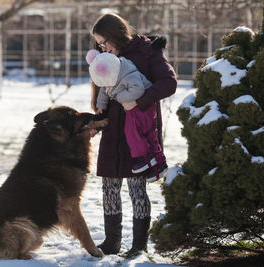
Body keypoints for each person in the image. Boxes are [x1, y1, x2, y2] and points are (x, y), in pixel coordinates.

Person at [89, 13, 177, 258]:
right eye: (98, 44)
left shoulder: (148, 50)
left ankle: (139, 244)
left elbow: (169, 83)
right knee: (109, 187)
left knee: (137, 188)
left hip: (138, 133)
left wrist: (139, 101)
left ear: (116, 34)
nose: (102, 48)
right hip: (112, 131)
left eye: (104, 42)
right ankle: (112, 241)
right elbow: (104, 92)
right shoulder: (107, 57)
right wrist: (97, 120)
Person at [86, 49, 168, 182]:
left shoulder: (127, 73)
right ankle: (159, 164)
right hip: (134, 108)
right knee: (148, 135)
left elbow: (138, 89)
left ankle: (144, 158)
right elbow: (105, 91)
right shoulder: (110, 75)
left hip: (143, 107)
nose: (107, 86)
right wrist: (101, 106)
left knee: (133, 131)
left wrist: (120, 97)